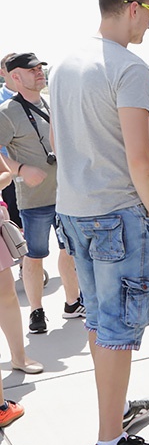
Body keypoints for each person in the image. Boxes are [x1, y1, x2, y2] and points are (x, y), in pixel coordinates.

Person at [50, 0, 149, 445]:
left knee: (100, 322)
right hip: (118, 213)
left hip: (73, 210)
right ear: (131, 7)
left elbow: (59, 145)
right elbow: (141, 159)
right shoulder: (130, 67)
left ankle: (114, 414)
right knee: (119, 328)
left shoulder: (63, 64)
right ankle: (110, 443)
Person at [0, 53, 83, 334]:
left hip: (65, 196)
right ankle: (37, 311)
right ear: (15, 76)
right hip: (34, 200)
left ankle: (73, 302)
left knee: (68, 251)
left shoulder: (50, 103)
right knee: (34, 256)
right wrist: (21, 169)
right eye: (31, 69)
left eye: (39, 68)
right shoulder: (7, 112)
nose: (39, 73)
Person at [0, 54, 21, 227]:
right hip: (8, 173)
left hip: (36, 172)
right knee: (14, 229)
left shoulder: (37, 100)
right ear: (2, 73)